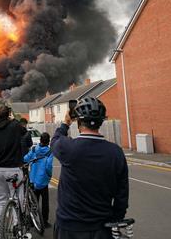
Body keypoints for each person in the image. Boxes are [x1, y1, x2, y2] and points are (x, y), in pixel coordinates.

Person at [51, 97, 129, 239]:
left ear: (78, 122)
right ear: (101, 121)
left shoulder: (68, 147)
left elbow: (55, 139)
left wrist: (66, 123)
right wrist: (116, 218)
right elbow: (122, 195)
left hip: (69, 228)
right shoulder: (116, 152)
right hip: (102, 228)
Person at [0, 105, 26, 238]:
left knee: (0, 200)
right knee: (17, 199)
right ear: (8, 115)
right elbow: (24, 131)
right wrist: (14, 119)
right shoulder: (14, 126)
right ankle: (17, 227)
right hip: (14, 169)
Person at [24, 132, 53, 228]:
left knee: (33, 201)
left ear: (40, 140)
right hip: (43, 180)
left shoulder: (34, 149)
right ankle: (44, 221)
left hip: (33, 179)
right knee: (45, 202)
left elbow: (26, 159)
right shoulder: (49, 152)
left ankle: (33, 220)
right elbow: (49, 166)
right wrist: (49, 175)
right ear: (48, 141)